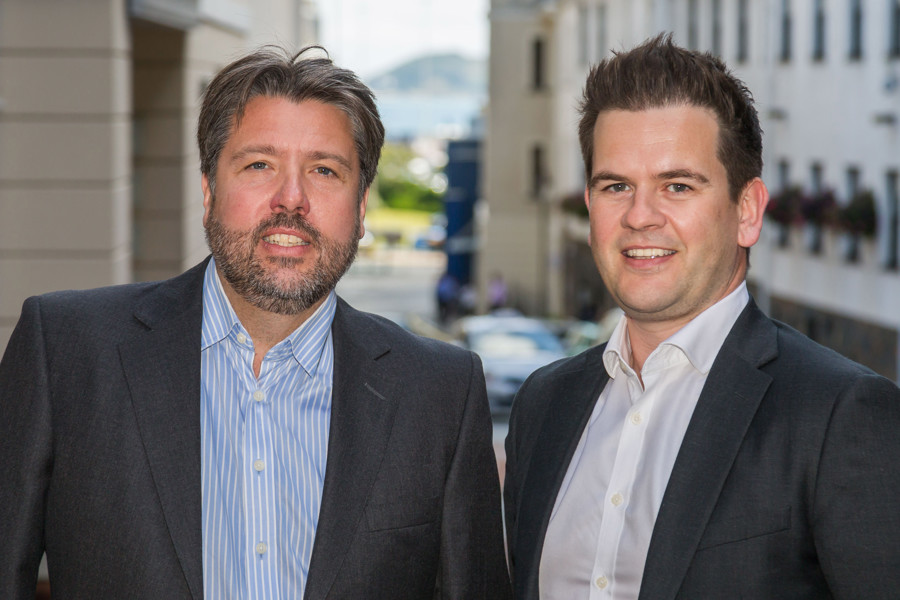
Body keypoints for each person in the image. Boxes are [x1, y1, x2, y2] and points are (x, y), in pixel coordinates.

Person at [0, 46, 511, 600]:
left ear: (361, 207)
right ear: (208, 192)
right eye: (259, 165)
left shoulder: (440, 394)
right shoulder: (65, 351)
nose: (291, 199)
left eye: (324, 170)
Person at [503, 33, 900, 600]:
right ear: (590, 209)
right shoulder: (544, 405)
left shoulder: (842, 415)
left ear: (747, 212)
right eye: (616, 186)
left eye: (678, 186)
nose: (641, 216)